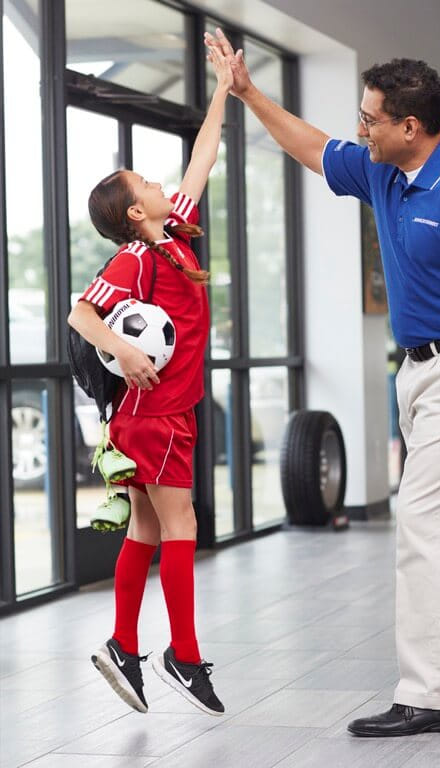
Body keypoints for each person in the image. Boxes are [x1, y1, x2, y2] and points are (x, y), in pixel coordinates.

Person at [205, 29, 440, 736]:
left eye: (369, 119)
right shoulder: (385, 170)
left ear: (409, 126)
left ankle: (429, 695)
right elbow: (312, 148)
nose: (359, 129)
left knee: (424, 529)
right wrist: (248, 91)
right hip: (419, 371)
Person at [67, 45, 233, 717]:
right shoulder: (138, 256)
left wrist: (225, 86)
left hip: (167, 411)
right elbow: (80, 312)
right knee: (180, 522)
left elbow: (203, 157)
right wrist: (125, 354)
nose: (163, 185)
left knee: (144, 529)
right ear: (136, 212)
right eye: (148, 185)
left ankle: (125, 646)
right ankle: (183, 656)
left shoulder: (176, 236)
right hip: (154, 414)